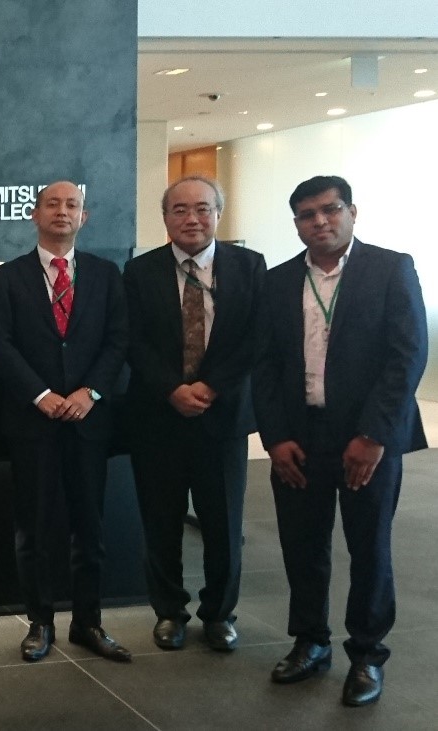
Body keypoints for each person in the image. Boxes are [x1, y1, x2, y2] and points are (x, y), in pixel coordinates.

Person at [254, 175, 426, 707]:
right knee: (303, 548)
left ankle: (368, 656)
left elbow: (407, 356)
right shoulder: (280, 280)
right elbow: (265, 364)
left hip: (366, 437)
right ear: (297, 224)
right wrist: (275, 437)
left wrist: (374, 435)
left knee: (369, 548)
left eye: (330, 210)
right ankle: (310, 643)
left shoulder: (390, 268)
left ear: (353, 211)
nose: (320, 222)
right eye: (307, 215)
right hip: (301, 434)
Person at [0, 181, 130, 663]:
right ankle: (40, 623)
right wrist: (41, 395)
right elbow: (0, 346)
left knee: (90, 528)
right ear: (34, 213)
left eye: (72, 205)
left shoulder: (109, 276)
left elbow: (118, 342)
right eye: (53, 204)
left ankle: (88, 622)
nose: (62, 212)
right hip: (34, 423)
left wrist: (91, 392)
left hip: (89, 422)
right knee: (35, 528)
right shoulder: (7, 278)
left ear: (84, 217)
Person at [123, 175, 265, 653]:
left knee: (223, 525)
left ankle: (220, 614)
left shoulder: (250, 267)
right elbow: (133, 342)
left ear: (218, 214)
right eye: (180, 210)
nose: (192, 218)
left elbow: (254, 338)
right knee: (160, 523)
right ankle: (169, 612)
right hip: (158, 421)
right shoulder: (140, 272)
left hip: (222, 419)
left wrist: (211, 385)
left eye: (202, 208)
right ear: (165, 219)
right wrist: (171, 389)